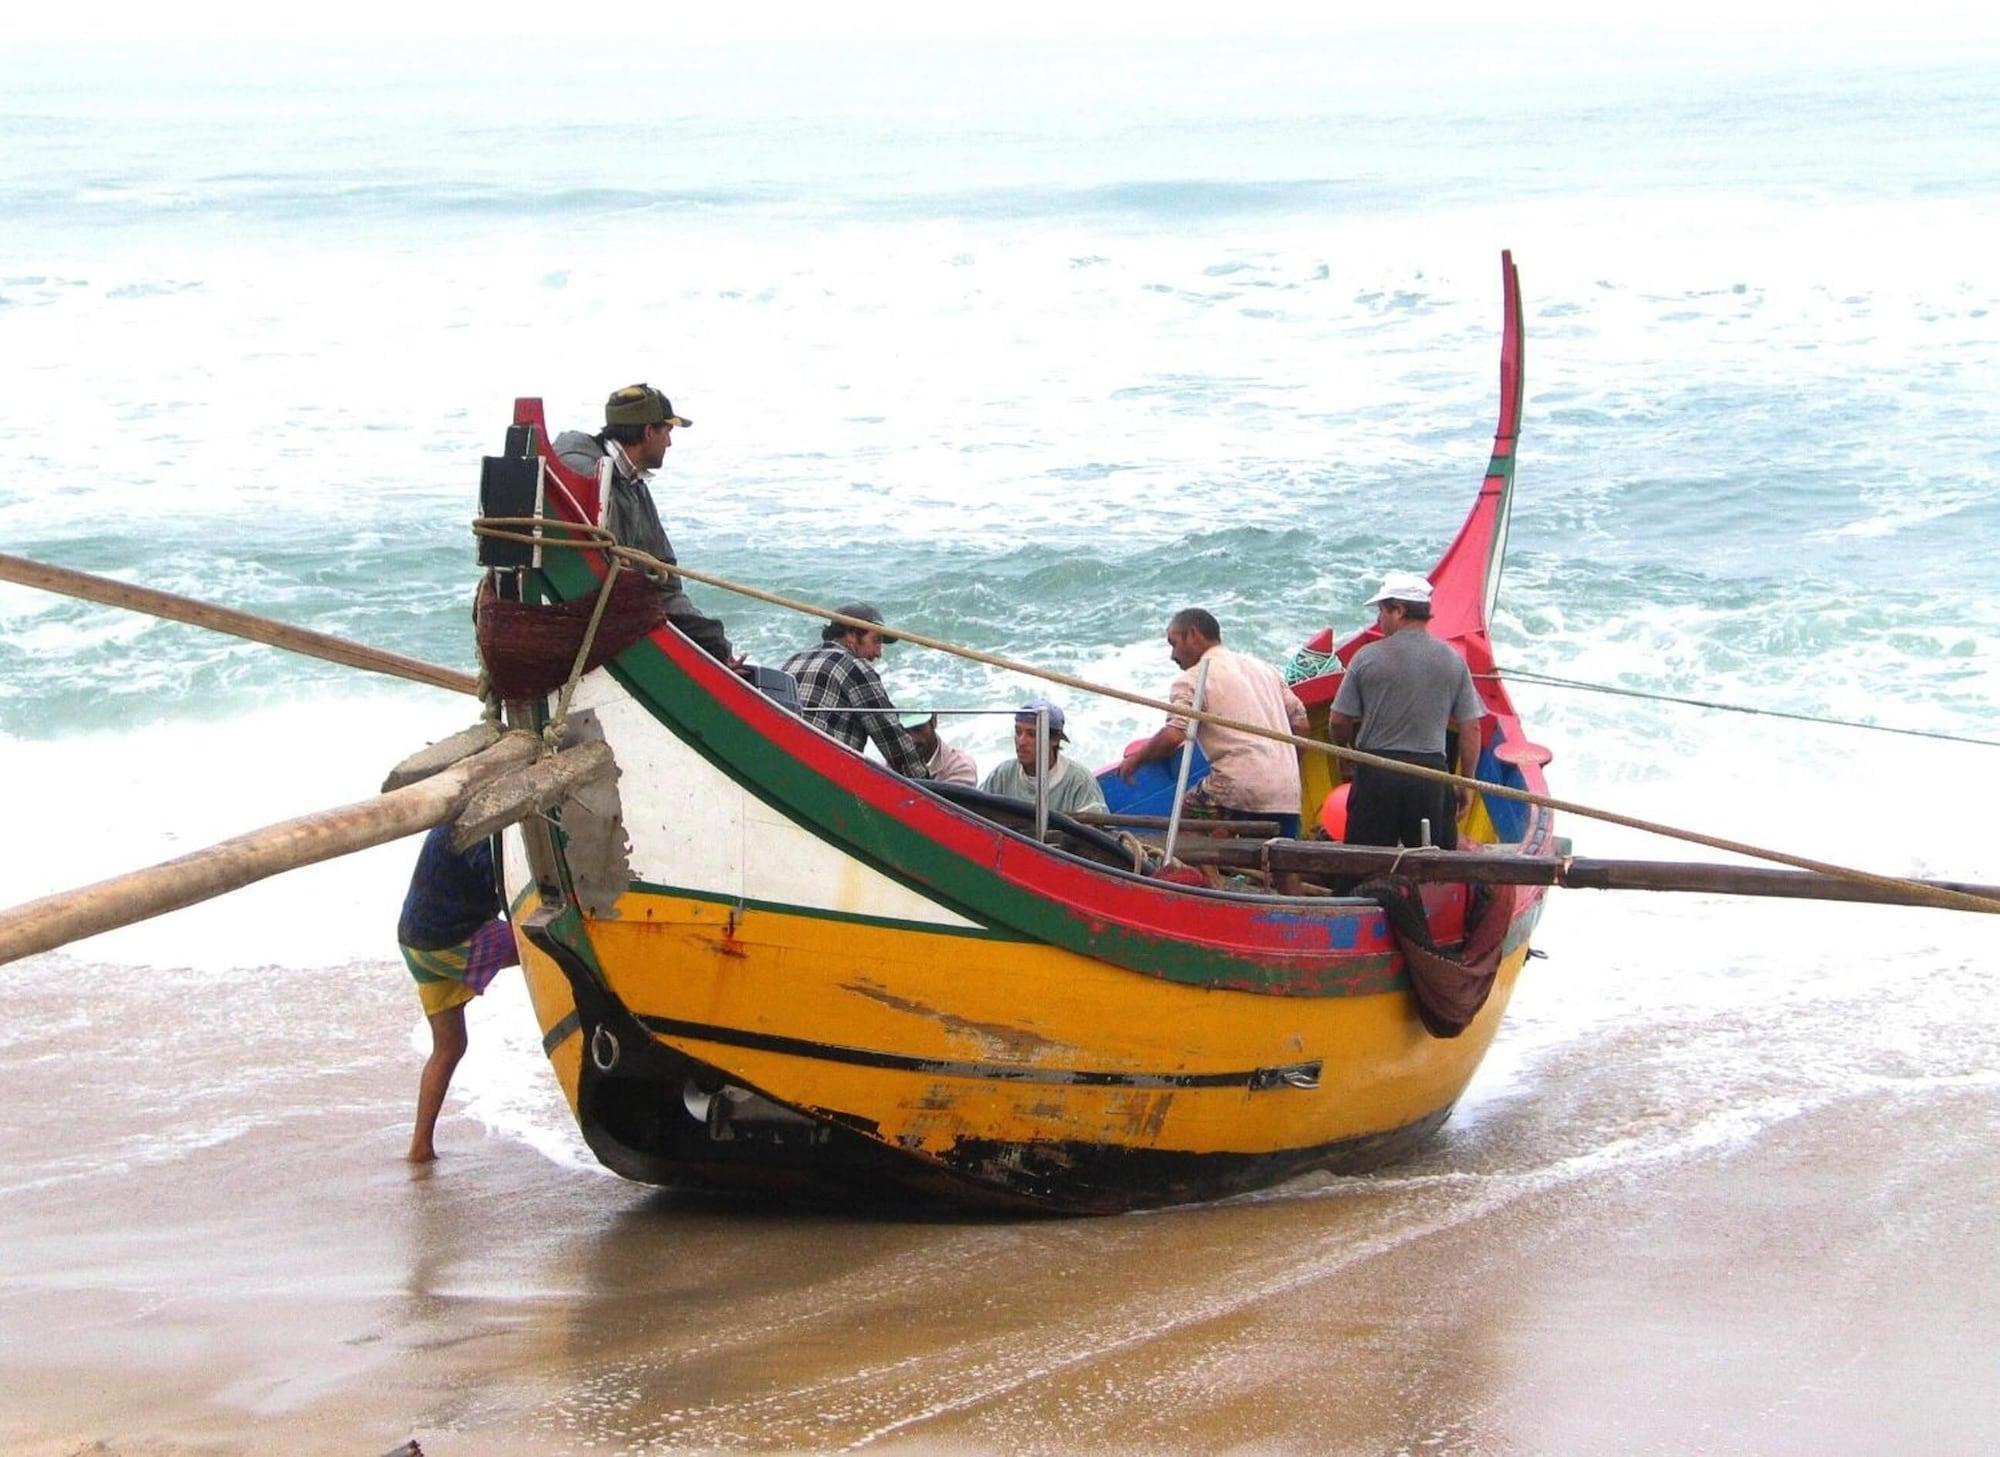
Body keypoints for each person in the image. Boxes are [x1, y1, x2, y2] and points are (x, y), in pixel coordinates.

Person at [553, 383, 735, 663]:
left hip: (615, 611)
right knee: (709, 639)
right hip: (592, 618)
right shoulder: (583, 474)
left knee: (708, 636)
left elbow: (665, 577)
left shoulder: (635, 486)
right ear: (649, 432)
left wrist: (709, 640)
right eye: (667, 433)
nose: (670, 443)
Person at [1118, 607, 1309, 838]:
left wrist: (1135, 761)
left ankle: (1212, 876)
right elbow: (1301, 725)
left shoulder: (1193, 679)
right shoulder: (1265, 669)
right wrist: (1283, 766)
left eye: (1174, 643)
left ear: (1193, 634)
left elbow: (1174, 735)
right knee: (1284, 860)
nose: (1173, 655)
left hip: (1237, 786)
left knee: (1185, 819)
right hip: (1287, 788)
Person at [1327, 571, 1484, 850]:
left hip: (1378, 775)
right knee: (1434, 862)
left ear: (1398, 611)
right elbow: (1472, 728)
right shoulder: (1453, 660)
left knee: (1365, 859)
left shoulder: (1365, 657)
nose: (1378, 620)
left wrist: (1346, 751)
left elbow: (1339, 720)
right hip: (1431, 778)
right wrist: (1466, 783)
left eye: (1381, 611)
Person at [396, 825, 519, 1163]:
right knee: (547, 938)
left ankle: (420, 1148)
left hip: (414, 941)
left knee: (449, 1047)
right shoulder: (481, 833)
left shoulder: (450, 823)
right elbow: (510, 889)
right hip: (449, 940)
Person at [781, 602, 932, 778]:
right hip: (820, 772)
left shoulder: (794, 660)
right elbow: (890, 735)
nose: (878, 653)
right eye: (876, 640)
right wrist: (926, 785)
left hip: (784, 756)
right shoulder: (853, 666)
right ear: (851, 635)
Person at [980, 699, 1107, 816]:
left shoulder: (1079, 782)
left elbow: (1097, 832)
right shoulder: (1002, 775)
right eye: (1018, 732)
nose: (1021, 741)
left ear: (1055, 740)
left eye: (1032, 734)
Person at [902, 710, 978, 785]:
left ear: (934, 721)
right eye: (904, 732)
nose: (913, 739)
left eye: (918, 729)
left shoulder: (961, 767)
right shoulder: (895, 766)